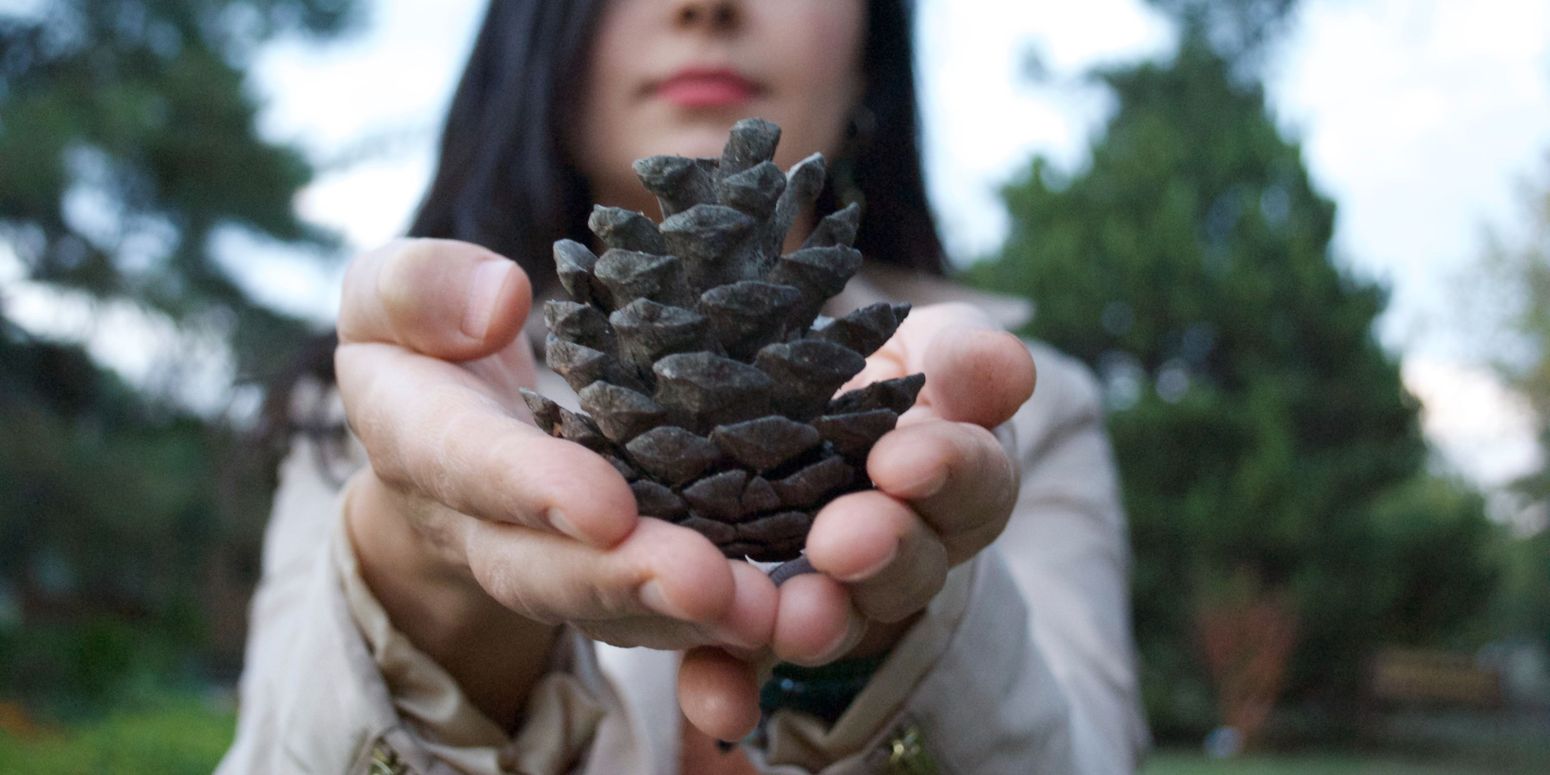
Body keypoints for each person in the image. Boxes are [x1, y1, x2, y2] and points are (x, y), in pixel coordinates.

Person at [219, 0, 1148, 772]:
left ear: (872, 54)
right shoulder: (367, 407)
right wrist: (423, 586)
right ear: (540, 43)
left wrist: (893, 646)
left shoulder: (1028, 406)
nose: (707, 6)